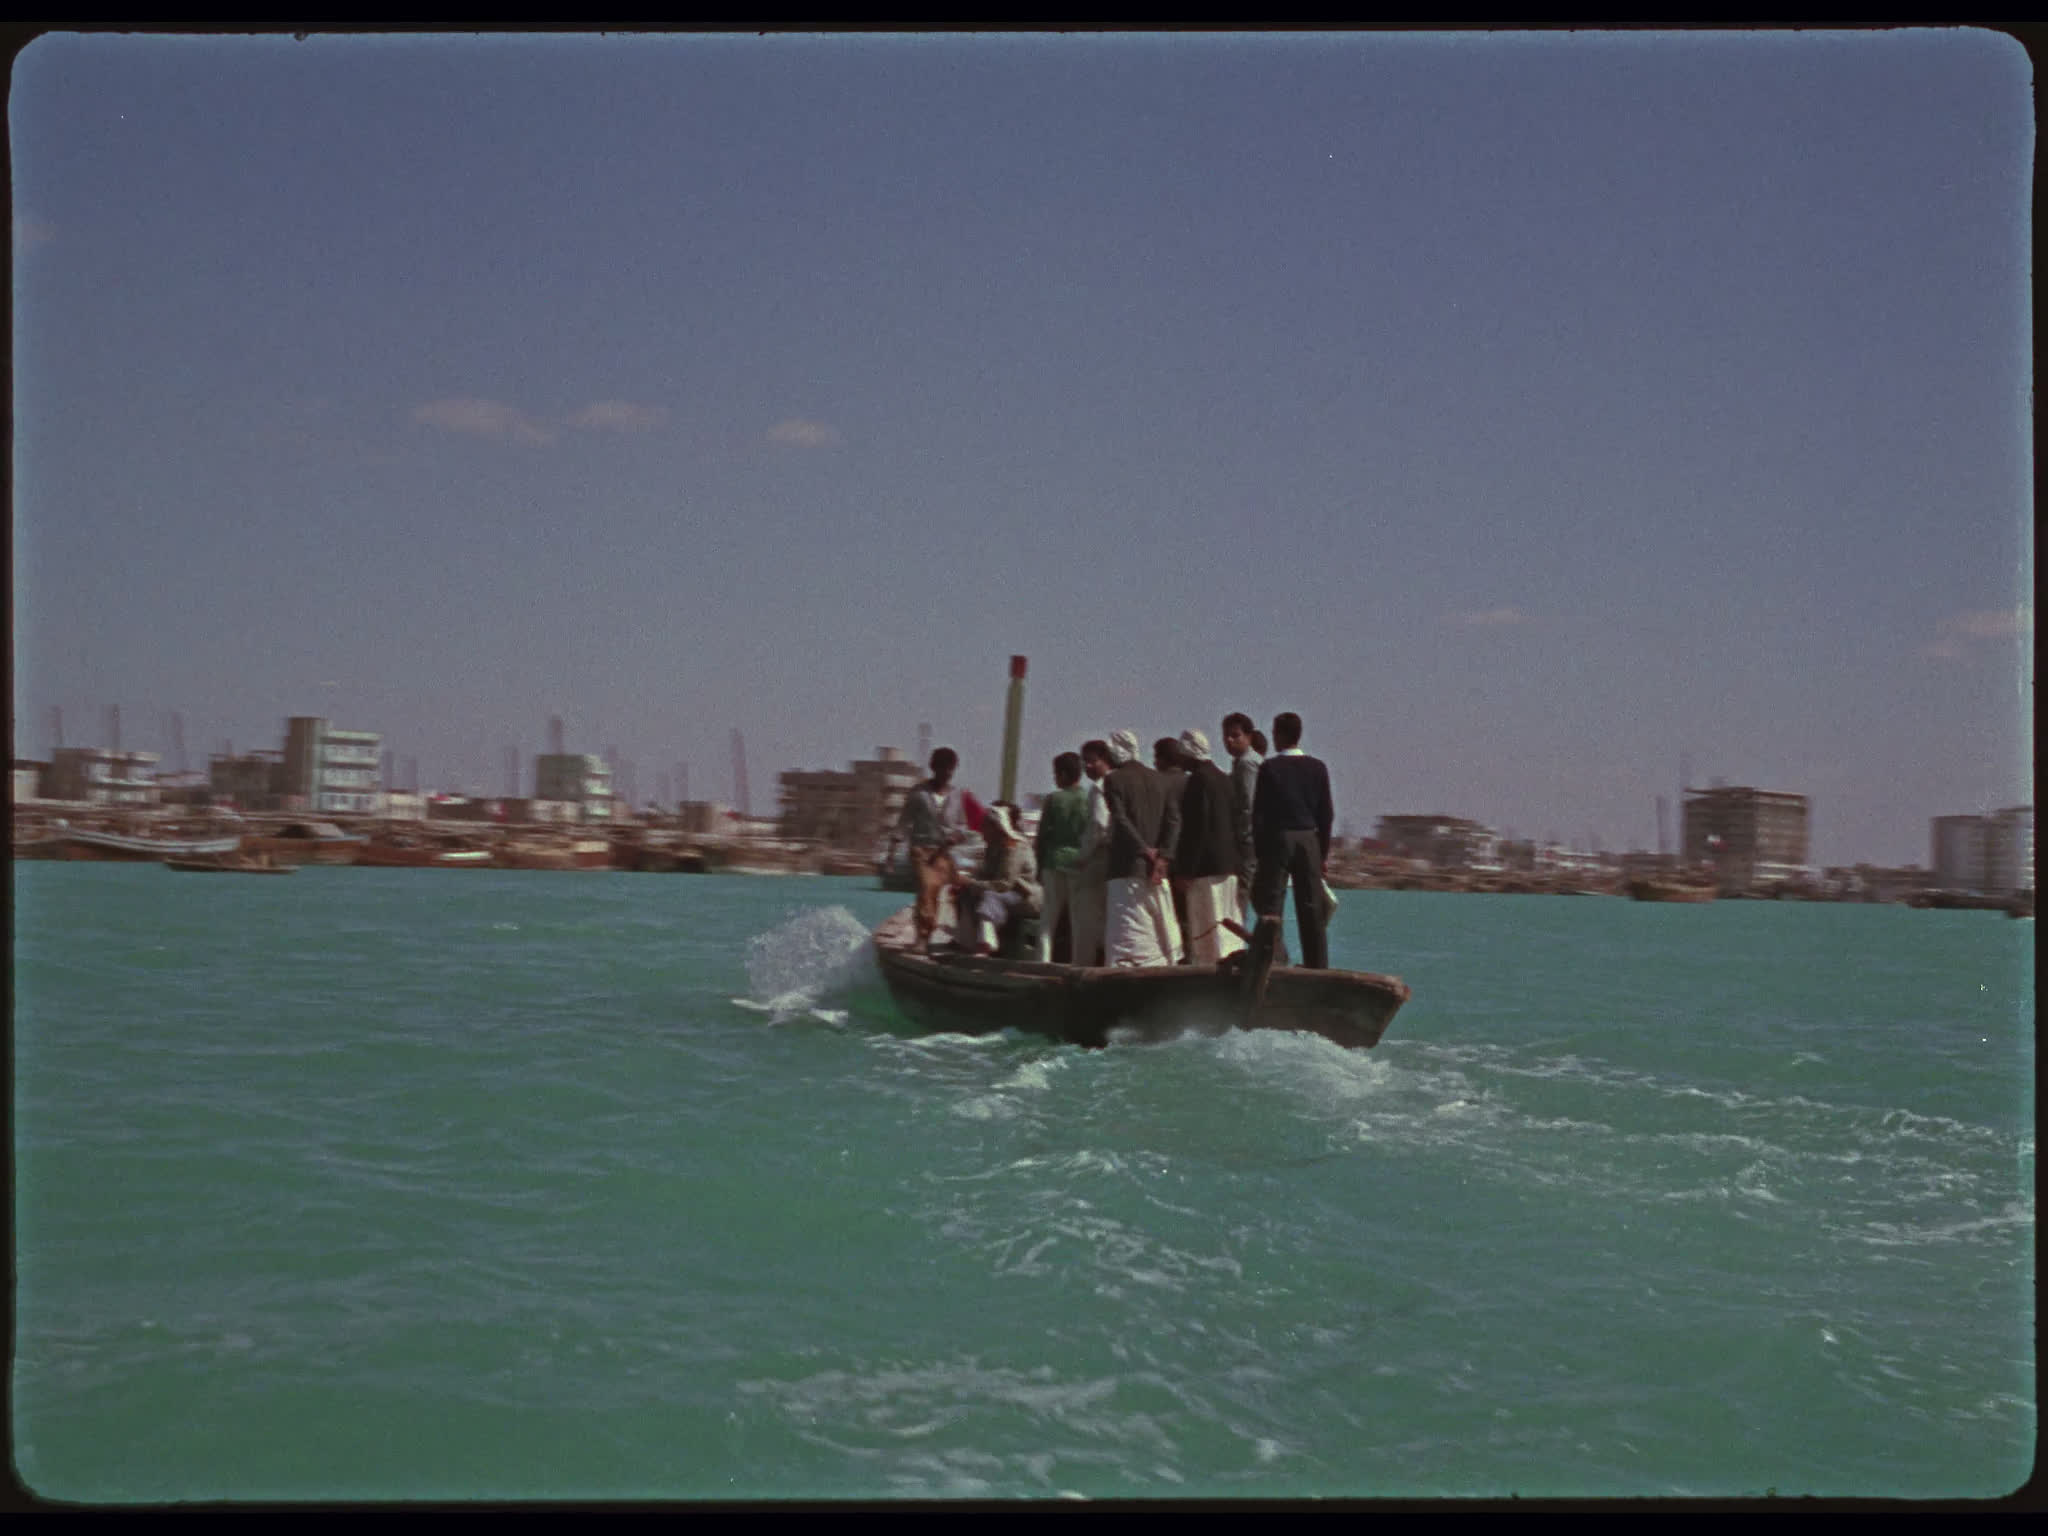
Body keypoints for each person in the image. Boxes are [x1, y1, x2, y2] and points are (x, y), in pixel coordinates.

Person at [1251, 711, 1335, 969]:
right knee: (1311, 908)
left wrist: (1261, 853)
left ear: (1280, 735)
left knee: (1272, 906)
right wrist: (1321, 854)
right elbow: (1326, 814)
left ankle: (1271, 962)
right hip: (1309, 839)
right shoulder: (1318, 768)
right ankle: (1317, 966)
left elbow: (1259, 816)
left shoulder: (1269, 768)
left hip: (1279, 840)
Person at [1101, 729, 1183, 967]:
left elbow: (1121, 819)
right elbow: (1174, 821)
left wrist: (1145, 850)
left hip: (1127, 869)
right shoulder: (1160, 779)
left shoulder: (1113, 780)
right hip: (1157, 870)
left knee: (1128, 935)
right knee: (1159, 930)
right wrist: (1163, 857)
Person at [1173, 729, 1247, 966]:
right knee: (1228, 926)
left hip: (1204, 869)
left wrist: (1185, 870)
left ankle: (1210, 977)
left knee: (1206, 928)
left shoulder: (1198, 781)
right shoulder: (1224, 778)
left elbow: (1196, 830)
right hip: (1229, 866)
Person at [886, 746, 970, 953]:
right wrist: (891, 855)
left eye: (950, 769)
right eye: (943, 768)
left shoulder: (957, 795)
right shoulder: (919, 793)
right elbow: (903, 823)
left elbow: (963, 826)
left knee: (957, 890)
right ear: (934, 768)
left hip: (944, 853)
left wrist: (956, 837)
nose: (947, 773)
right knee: (927, 888)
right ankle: (923, 937)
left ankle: (960, 935)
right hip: (922, 850)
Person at [955, 802, 1040, 956]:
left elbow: (1004, 884)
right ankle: (965, 943)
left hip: (1025, 895)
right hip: (1007, 893)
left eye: (985, 826)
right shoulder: (993, 847)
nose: (981, 830)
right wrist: (967, 882)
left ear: (996, 827)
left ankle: (986, 944)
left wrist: (972, 883)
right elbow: (984, 873)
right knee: (965, 893)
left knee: (990, 896)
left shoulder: (1013, 846)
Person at [1032, 752, 1091, 962]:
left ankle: (1043, 960)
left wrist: (1038, 867)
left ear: (1064, 774)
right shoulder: (1089, 799)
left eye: (1056, 773)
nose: (1054, 778)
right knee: (1077, 918)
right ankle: (1077, 962)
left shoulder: (1053, 799)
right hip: (1079, 864)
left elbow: (1042, 836)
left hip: (1053, 862)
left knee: (1048, 918)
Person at [1065, 740, 1116, 966]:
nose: (1088, 767)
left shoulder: (1099, 788)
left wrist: (1082, 857)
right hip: (1112, 859)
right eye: (1085, 762)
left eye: (1092, 761)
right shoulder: (1117, 783)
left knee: (1085, 915)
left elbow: (1098, 825)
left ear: (1105, 760)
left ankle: (1082, 964)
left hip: (1098, 857)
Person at [1222, 711, 1262, 926]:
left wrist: (1243, 839)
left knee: (1244, 898)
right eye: (1226, 736)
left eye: (1235, 735)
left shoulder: (1247, 764)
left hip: (1249, 844)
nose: (1229, 740)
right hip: (1252, 843)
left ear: (1249, 737)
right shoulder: (1241, 762)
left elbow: (1249, 805)